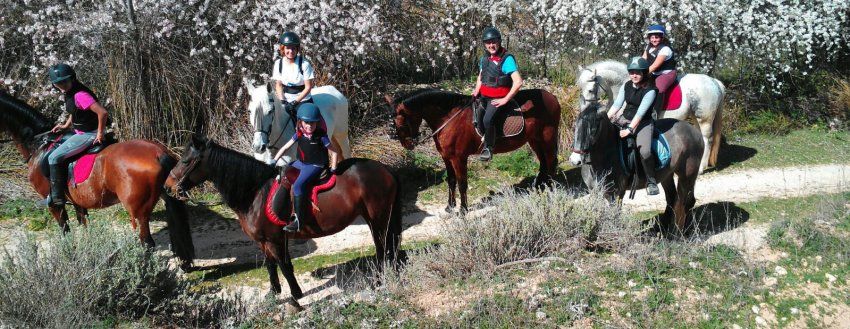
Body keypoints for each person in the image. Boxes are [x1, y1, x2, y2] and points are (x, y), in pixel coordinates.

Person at [39, 63, 108, 207]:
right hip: (81, 131)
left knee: (53, 157)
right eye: (58, 83)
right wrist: (65, 125)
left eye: (64, 81)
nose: (62, 85)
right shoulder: (70, 93)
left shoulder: (80, 95)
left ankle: (57, 198)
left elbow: (102, 113)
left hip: (89, 133)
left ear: (72, 78)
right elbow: (75, 111)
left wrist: (100, 133)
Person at [272, 103, 340, 232]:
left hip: (315, 165)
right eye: (306, 122)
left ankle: (299, 221)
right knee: (285, 169)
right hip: (301, 162)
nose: (309, 126)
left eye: (313, 123)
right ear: (300, 122)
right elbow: (286, 147)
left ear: (317, 123)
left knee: (298, 185)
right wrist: (274, 160)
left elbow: (334, 151)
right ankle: (284, 206)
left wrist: (333, 167)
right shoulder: (299, 133)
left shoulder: (321, 135)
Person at [606, 57, 660, 196]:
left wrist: (630, 130)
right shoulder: (627, 85)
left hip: (643, 123)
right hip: (624, 119)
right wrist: (606, 119)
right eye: (631, 72)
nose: (634, 75)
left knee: (645, 151)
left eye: (637, 73)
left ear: (644, 73)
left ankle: (651, 180)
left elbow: (641, 113)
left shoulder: (651, 90)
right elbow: (617, 105)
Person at [471, 27, 523, 161]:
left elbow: (518, 82)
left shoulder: (507, 59)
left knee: (488, 119)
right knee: (476, 118)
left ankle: (489, 147)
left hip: (498, 99)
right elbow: (481, 76)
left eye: (493, 41)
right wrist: (477, 89)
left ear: (499, 41)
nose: (491, 45)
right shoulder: (484, 59)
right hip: (484, 97)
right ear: (484, 44)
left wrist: (505, 99)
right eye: (488, 42)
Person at [272, 31, 316, 116]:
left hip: (302, 99)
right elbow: (279, 85)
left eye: (293, 48)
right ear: (283, 49)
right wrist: (282, 101)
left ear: (297, 49)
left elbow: (308, 87)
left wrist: (295, 102)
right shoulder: (278, 64)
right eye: (288, 48)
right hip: (285, 98)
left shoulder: (304, 64)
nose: (291, 51)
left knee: (307, 120)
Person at [641, 24, 677, 112]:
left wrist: (642, 74)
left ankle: (655, 113)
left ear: (661, 38)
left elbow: (655, 66)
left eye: (656, 37)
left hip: (666, 74)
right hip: (653, 73)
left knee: (658, 87)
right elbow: (643, 60)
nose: (654, 40)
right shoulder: (648, 47)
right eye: (652, 37)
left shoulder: (665, 49)